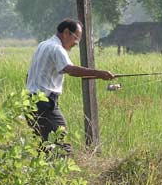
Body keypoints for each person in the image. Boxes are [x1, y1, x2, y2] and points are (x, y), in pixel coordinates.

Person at [26, 18, 115, 154]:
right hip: (44, 104)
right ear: (66, 32)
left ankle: (43, 173)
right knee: (61, 143)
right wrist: (99, 74)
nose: (76, 43)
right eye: (76, 39)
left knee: (44, 146)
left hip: (30, 102)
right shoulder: (57, 49)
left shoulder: (42, 45)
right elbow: (71, 69)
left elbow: (28, 76)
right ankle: (63, 172)